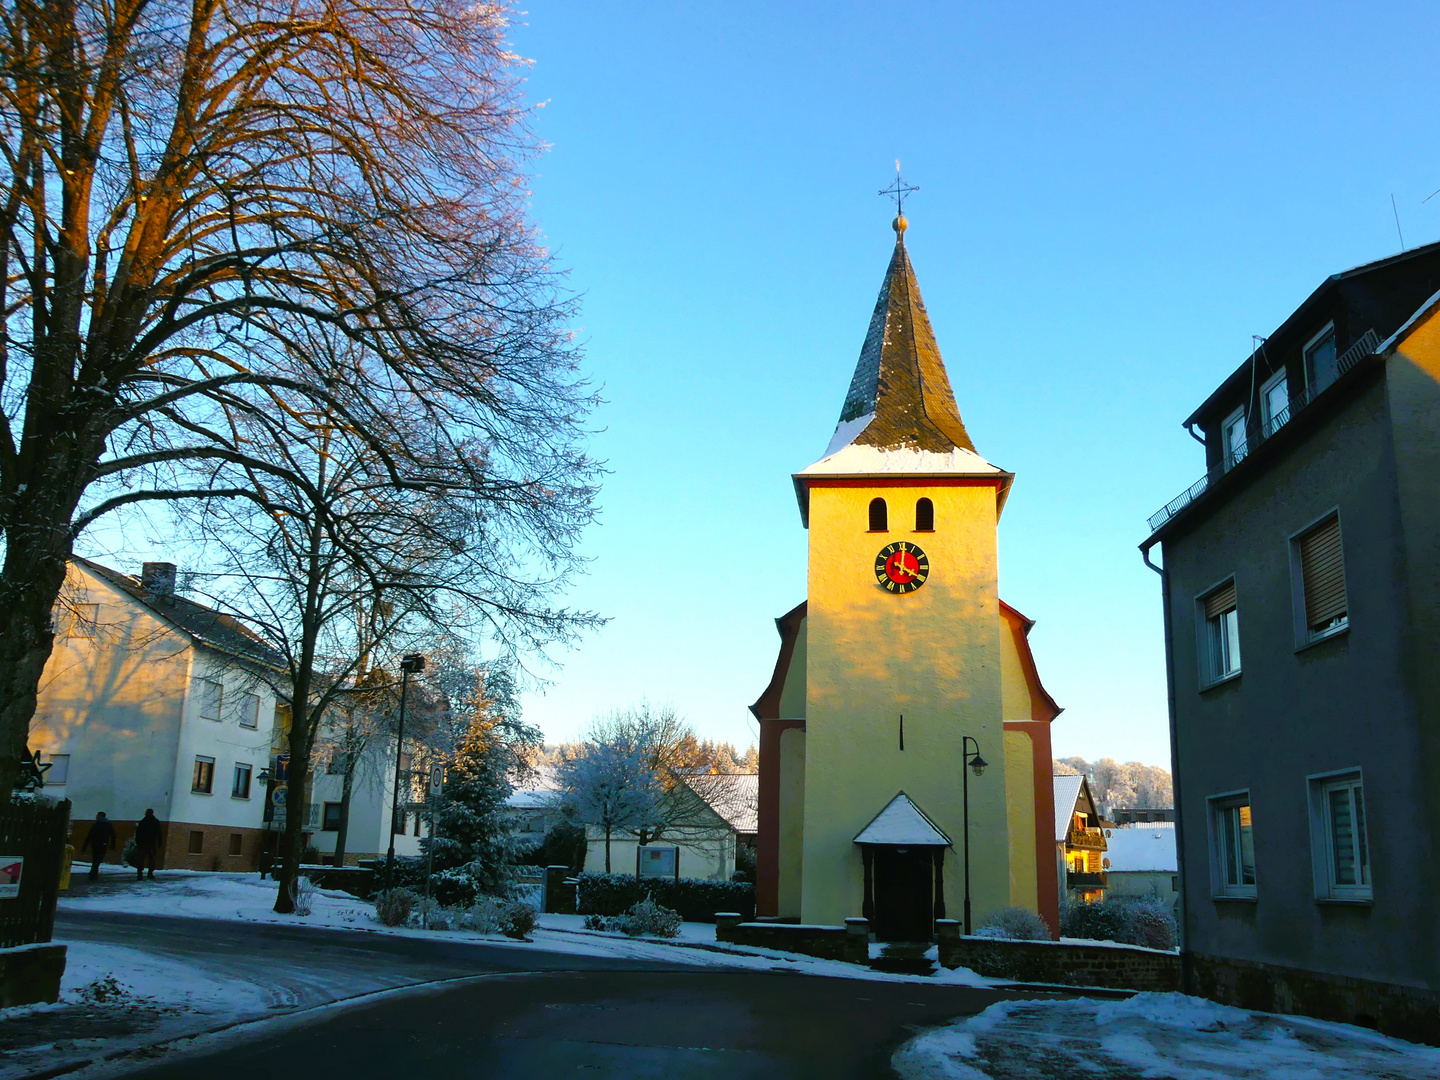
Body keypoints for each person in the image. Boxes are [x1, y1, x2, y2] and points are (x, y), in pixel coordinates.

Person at [81, 812, 116, 881]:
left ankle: (93, 872)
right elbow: (113, 835)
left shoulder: (96, 824)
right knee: (99, 859)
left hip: (95, 844)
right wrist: (113, 844)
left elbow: (90, 835)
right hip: (103, 844)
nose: (96, 817)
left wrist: (85, 845)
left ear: (100, 816)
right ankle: (93, 872)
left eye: (97, 815)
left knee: (95, 859)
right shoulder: (108, 825)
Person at [134, 809, 162, 880]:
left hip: (142, 844)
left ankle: (139, 874)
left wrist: (137, 842)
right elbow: (159, 833)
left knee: (141, 859)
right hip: (152, 843)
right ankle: (150, 873)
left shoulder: (142, 822)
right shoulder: (155, 822)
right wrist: (159, 842)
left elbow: (138, 833)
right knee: (152, 859)